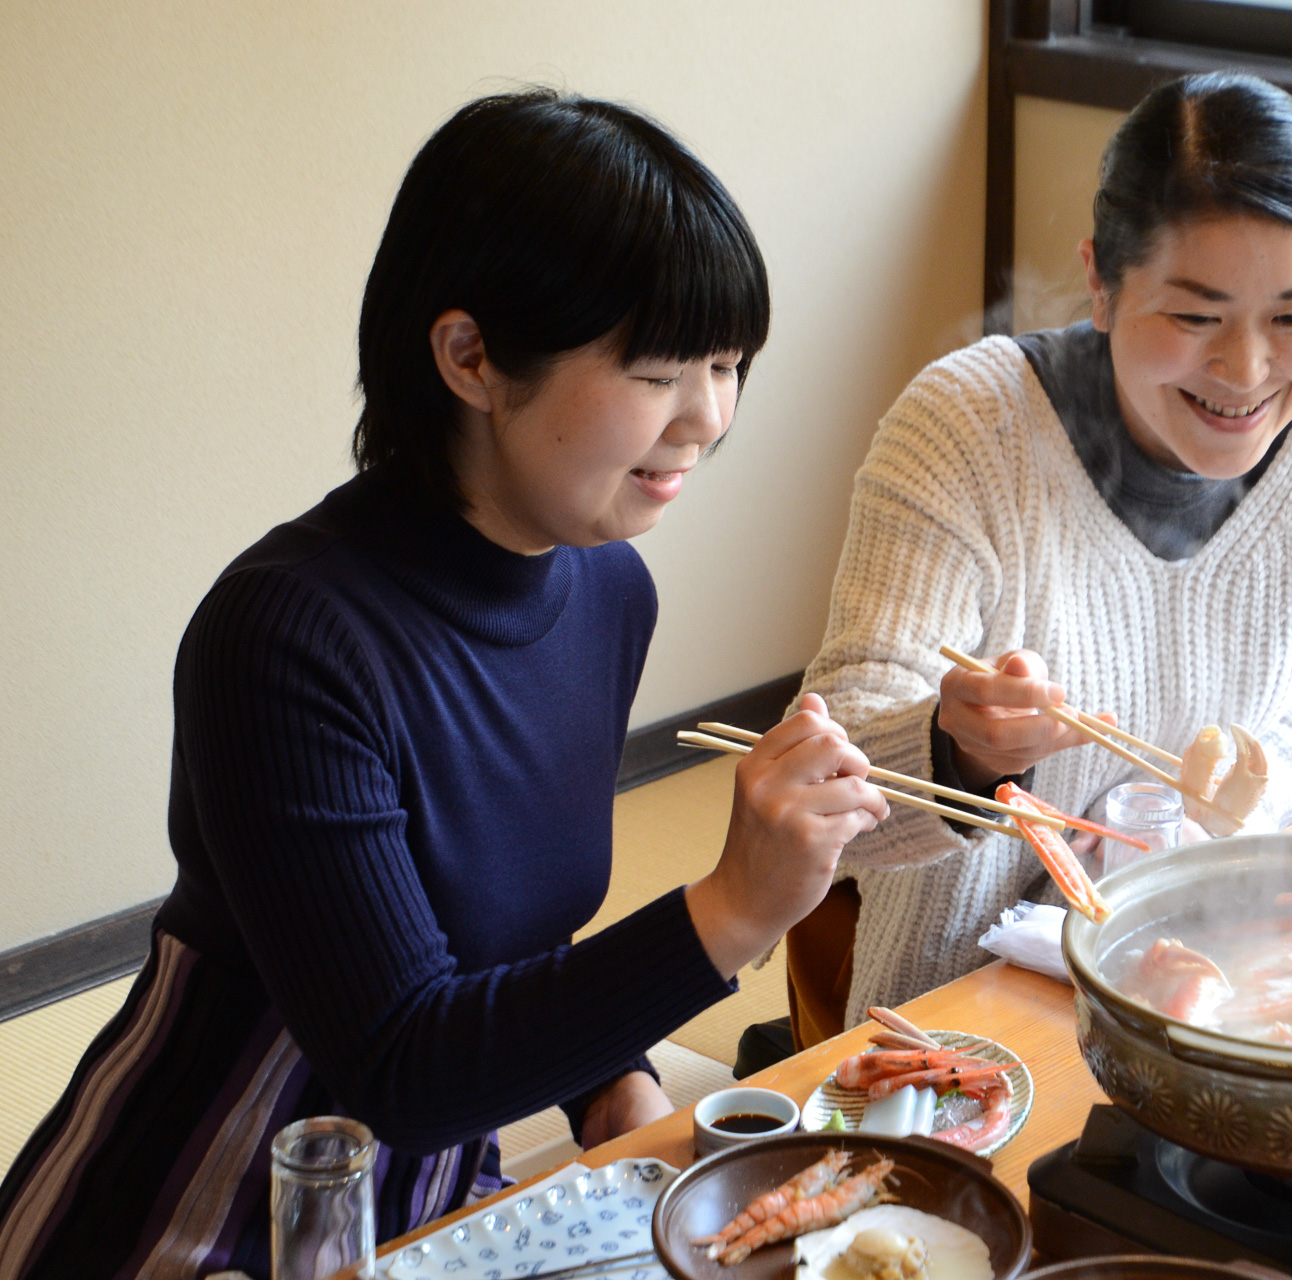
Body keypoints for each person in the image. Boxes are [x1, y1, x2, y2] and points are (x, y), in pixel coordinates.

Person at [0, 91, 886, 1278]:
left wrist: (607, 1078)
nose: (708, 418)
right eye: (659, 367)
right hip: (201, 1201)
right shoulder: (287, 633)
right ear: (470, 355)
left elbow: (497, 925)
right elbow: (400, 1061)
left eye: (728, 365)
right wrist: (732, 905)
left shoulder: (608, 588)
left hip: (427, 1199)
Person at [788, 73, 1292, 1044]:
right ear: (1101, 282)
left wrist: (1241, 787)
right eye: (1196, 316)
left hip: (1219, 987)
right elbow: (830, 787)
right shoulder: (968, 427)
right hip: (960, 1023)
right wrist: (959, 749)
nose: (1247, 373)